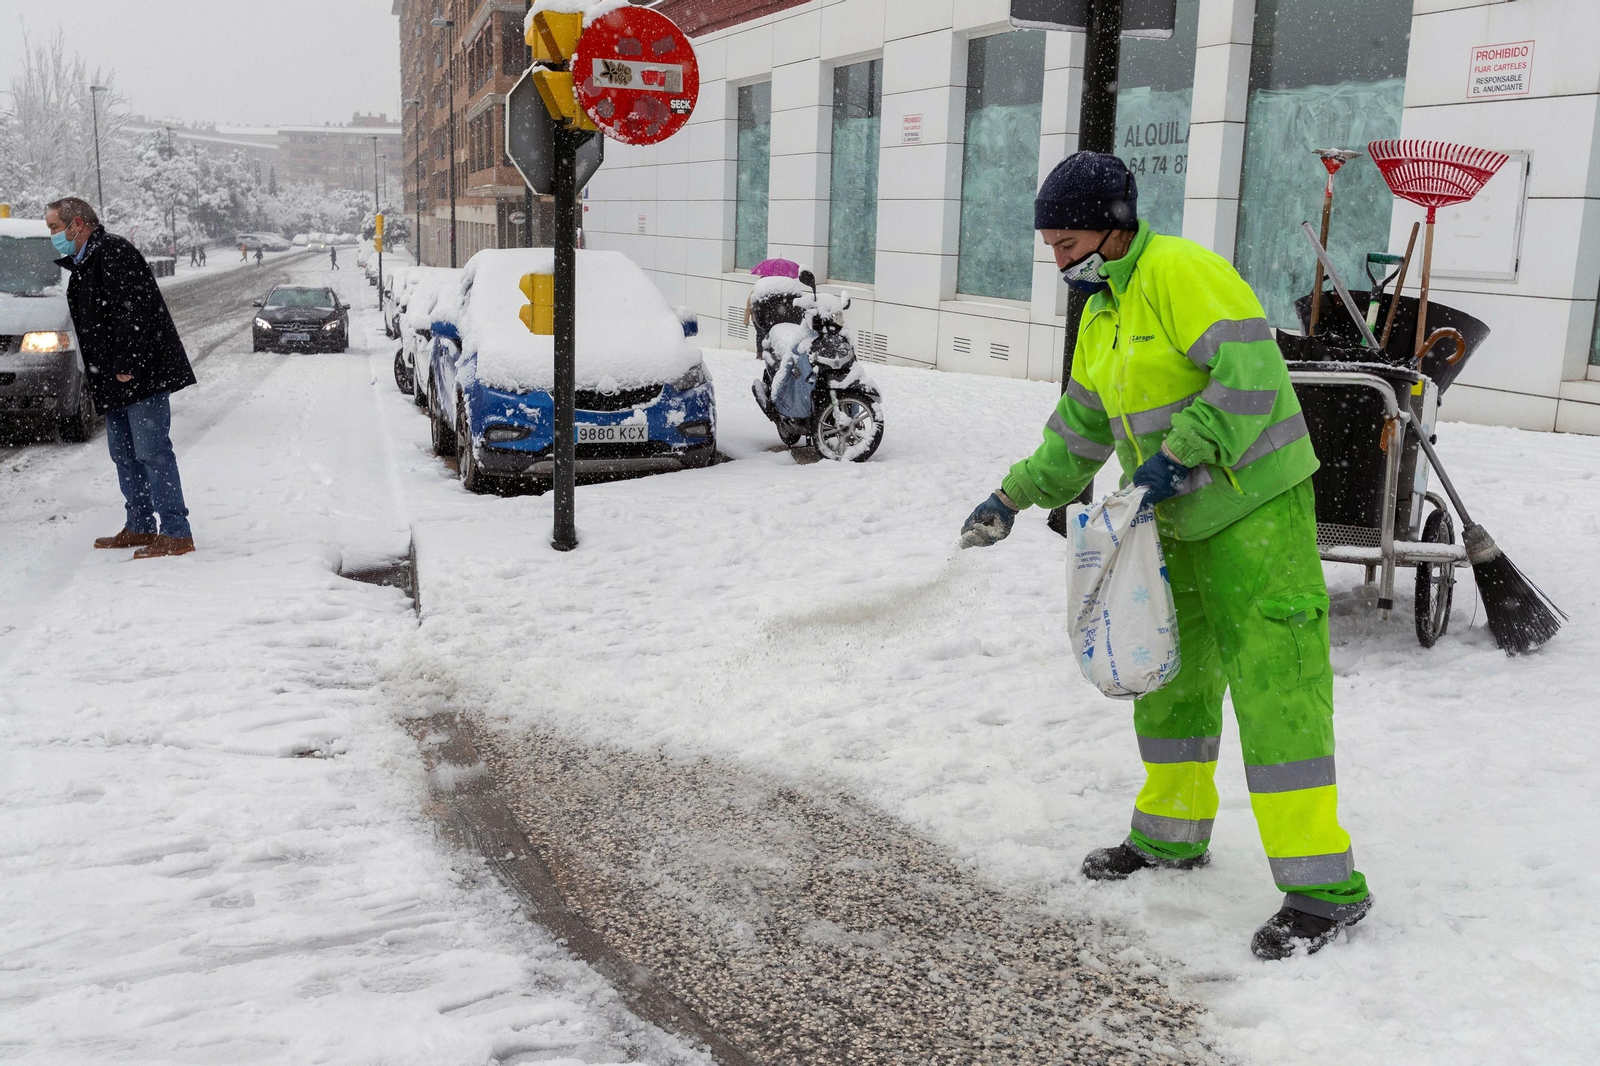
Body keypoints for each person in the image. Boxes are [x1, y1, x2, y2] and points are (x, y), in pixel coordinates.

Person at [959, 152, 1370, 961]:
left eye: (1066, 240)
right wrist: (1011, 497)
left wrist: (1181, 452)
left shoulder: (1183, 272)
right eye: (1050, 244)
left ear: (1111, 226)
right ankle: (1170, 836)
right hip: (1172, 522)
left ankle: (1325, 890)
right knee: (1170, 681)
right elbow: (1077, 432)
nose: (1059, 259)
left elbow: (1248, 380)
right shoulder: (1104, 312)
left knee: (1275, 689)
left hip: (1254, 508)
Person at [46, 197, 197, 559]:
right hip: (113, 378)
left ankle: (176, 532)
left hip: (139, 374)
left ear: (78, 224)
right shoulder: (83, 262)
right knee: (124, 454)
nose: (53, 235)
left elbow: (135, 309)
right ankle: (140, 525)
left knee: (152, 452)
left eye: (54, 227)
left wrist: (126, 363)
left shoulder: (113, 251)